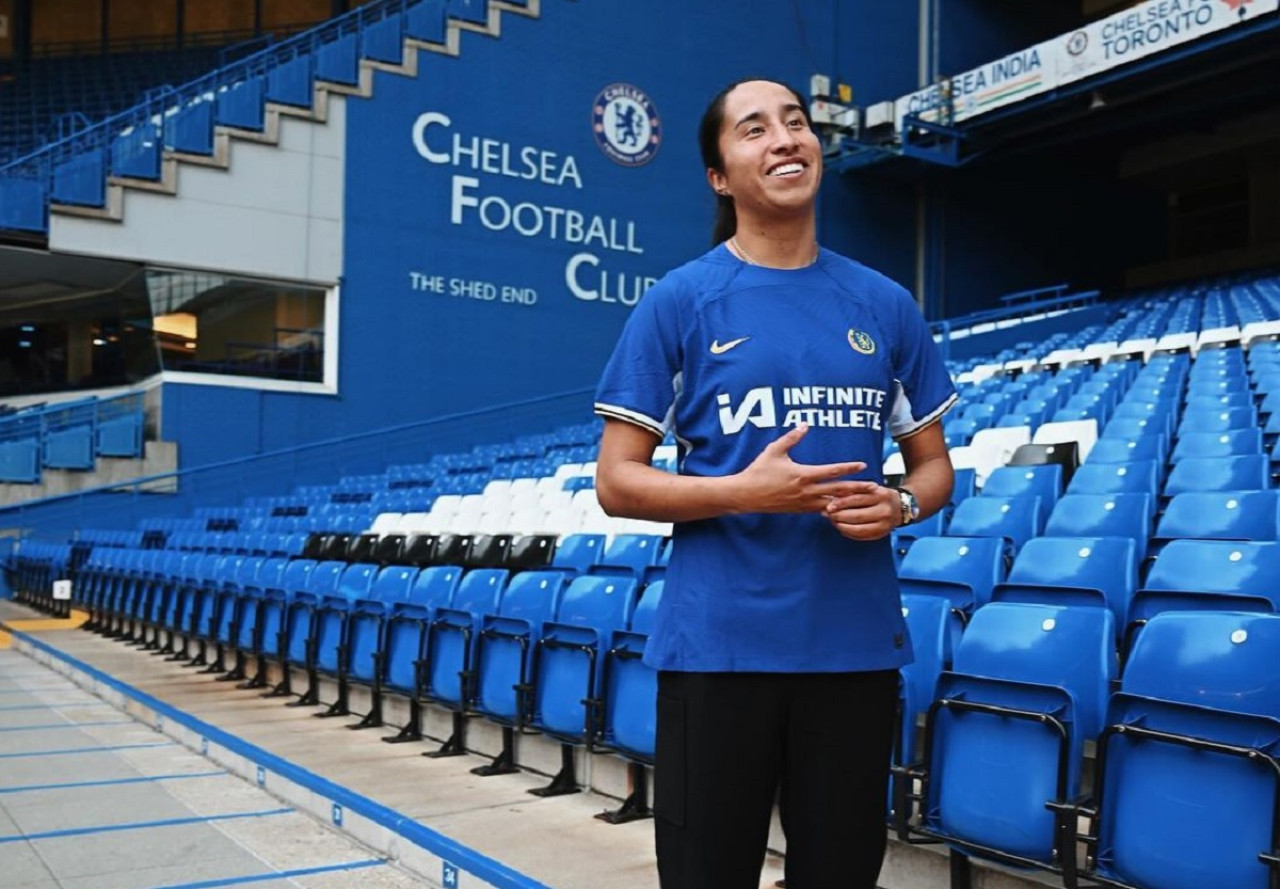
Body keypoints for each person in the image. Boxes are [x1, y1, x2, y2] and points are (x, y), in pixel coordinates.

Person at [592, 78, 957, 889]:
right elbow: (616, 481)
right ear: (721, 175)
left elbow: (935, 467)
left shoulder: (885, 305)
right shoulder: (680, 301)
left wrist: (899, 502)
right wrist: (742, 490)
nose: (785, 139)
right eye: (754, 129)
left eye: (796, 122)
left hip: (853, 650)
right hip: (719, 648)